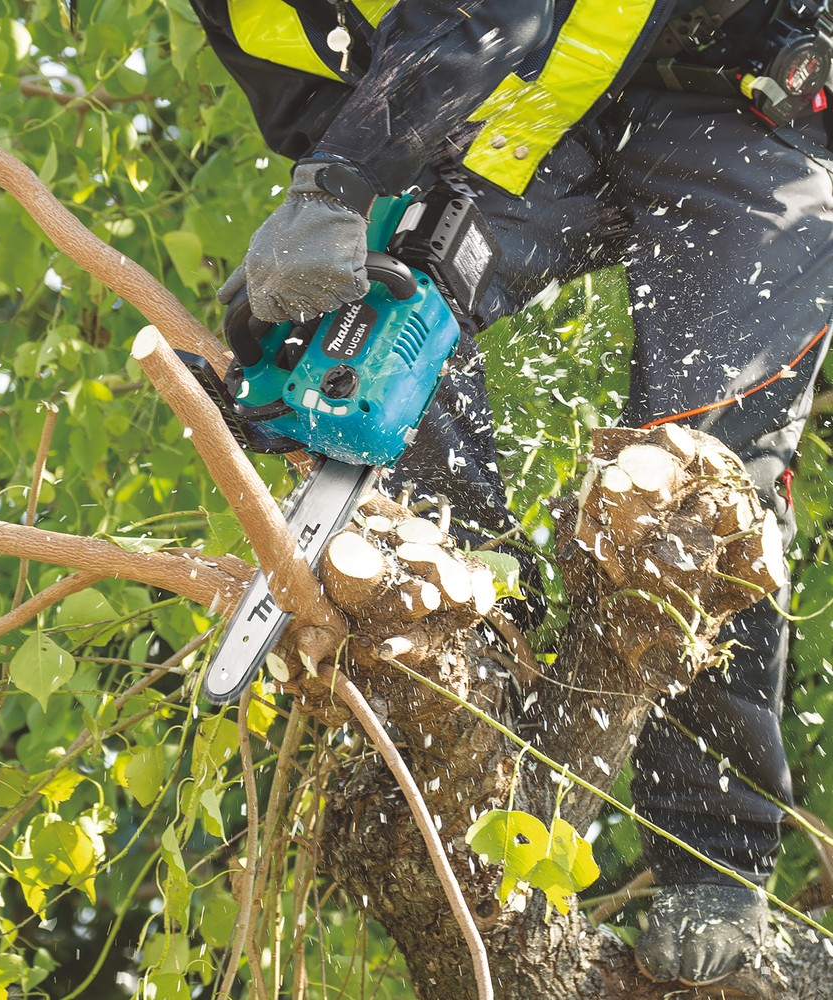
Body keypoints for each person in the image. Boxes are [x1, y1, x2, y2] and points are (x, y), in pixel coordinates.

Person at [186, 0, 833, 987]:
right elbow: (326, 116)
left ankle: (717, 865)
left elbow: (488, 13)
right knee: (397, 304)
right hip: (543, 112)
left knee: (703, 466)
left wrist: (334, 181)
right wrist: (315, 253)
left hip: (755, 94)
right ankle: (487, 641)